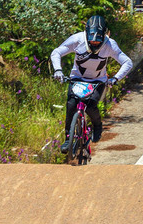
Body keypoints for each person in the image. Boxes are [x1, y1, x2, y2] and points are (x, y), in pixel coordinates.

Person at [51, 13, 135, 151]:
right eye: (92, 40)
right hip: (77, 78)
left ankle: (97, 125)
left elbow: (127, 62)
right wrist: (58, 70)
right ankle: (68, 139)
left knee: (90, 105)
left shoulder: (110, 45)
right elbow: (56, 52)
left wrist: (115, 78)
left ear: (104, 36)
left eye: (98, 41)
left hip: (98, 81)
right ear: (86, 34)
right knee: (71, 105)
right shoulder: (77, 39)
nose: (95, 43)